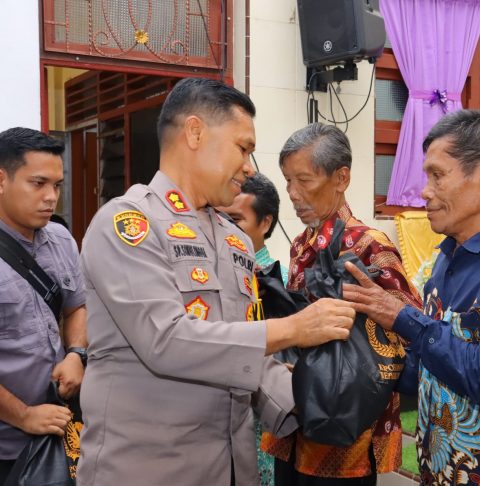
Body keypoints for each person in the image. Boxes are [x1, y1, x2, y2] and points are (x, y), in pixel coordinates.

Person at [77, 78, 356, 486]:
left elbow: (244, 351)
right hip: (149, 468)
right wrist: (294, 328)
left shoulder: (234, 240)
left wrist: (317, 400)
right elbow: (167, 341)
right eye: (243, 148)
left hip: (230, 466)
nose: (249, 166)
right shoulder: (128, 225)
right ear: (194, 132)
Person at [343, 110, 480, 484]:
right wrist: (355, 351)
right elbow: (424, 373)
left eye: (437, 175)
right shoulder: (445, 261)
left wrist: (402, 317)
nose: (425, 191)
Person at [261, 123, 421, 486]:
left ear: (341, 178)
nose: (293, 193)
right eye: (288, 181)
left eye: (304, 180)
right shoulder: (302, 243)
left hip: (345, 424)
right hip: (296, 414)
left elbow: (409, 327)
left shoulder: (370, 245)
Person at [0, 127, 87, 484]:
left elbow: (76, 306)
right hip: (6, 445)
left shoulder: (62, 239)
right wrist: (22, 415)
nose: (51, 197)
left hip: (61, 433)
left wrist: (76, 354)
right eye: (38, 184)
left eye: (57, 185)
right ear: (1, 180)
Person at [217, 172, 286, 486]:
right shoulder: (211, 275)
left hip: (270, 411)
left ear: (265, 223)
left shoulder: (284, 281)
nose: (227, 229)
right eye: (224, 219)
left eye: (237, 220)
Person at [219, 172, 288, 284]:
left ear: (266, 223)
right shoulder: (206, 271)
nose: (223, 225)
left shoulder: (282, 282)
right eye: (217, 218)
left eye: (234, 219)